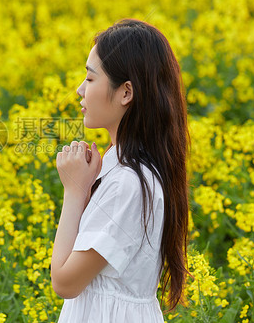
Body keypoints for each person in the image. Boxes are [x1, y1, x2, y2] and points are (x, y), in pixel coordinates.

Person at [51, 18, 191, 322]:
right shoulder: (119, 164)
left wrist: (75, 191)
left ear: (126, 93)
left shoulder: (130, 183)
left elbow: (64, 282)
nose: (79, 90)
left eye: (89, 79)